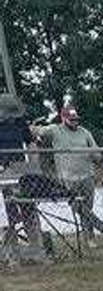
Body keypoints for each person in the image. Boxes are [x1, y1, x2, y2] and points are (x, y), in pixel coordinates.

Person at [30, 104, 103, 235]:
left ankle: (89, 237)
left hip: (87, 175)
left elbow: (97, 154)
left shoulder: (85, 132)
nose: (75, 122)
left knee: (87, 208)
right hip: (67, 178)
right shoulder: (55, 130)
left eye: (76, 119)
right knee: (77, 206)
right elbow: (36, 131)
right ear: (63, 118)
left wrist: (95, 155)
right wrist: (33, 127)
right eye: (71, 119)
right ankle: (101, 227)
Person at [0, 93, 43, 252]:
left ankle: (36, 247)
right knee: (7, 212)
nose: (13, 116)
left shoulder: (19, 123)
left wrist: (34, 163)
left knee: (28, 207)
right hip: (2, 172)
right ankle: (12, 251)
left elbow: (31, 142)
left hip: (20, 169)